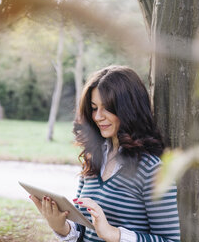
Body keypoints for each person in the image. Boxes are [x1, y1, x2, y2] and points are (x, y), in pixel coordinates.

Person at [30, 65, 180, 242]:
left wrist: (113, 234)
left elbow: (170, 240)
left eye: (107, 108)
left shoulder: (152, 169)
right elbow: (83, 229)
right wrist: (61, 227)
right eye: (94, 108)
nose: (98, 116)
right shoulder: (95, 158)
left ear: (129, 108)